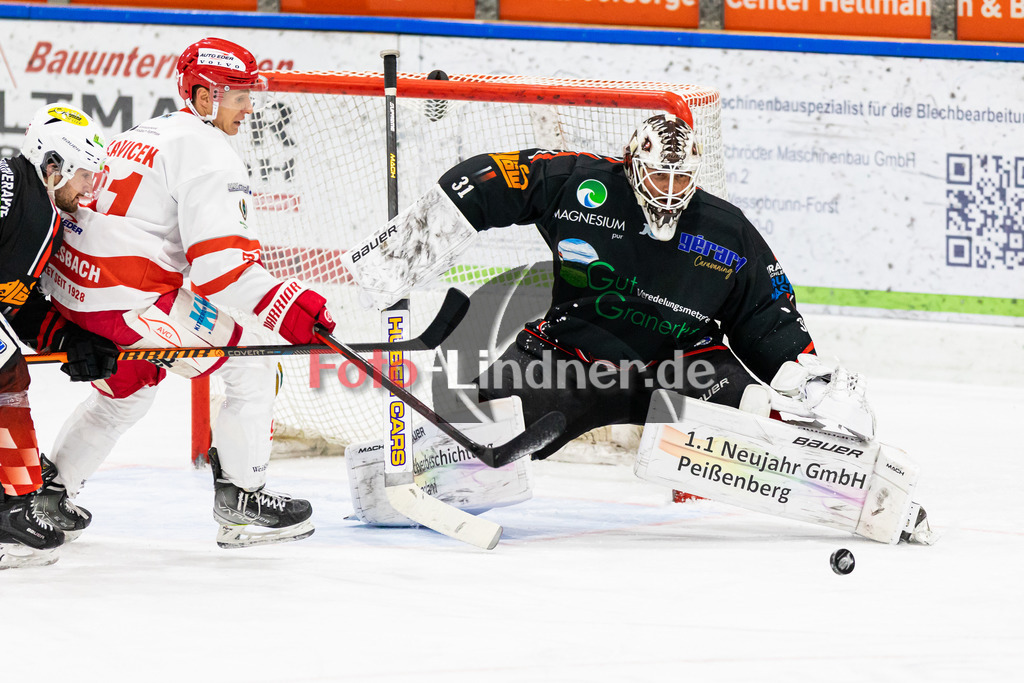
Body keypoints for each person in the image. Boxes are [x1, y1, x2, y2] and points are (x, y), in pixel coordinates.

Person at [345, 113, 875, 462]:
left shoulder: (725, 228)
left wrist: (801, 371)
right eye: (658, 177)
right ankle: (395, 470)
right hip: (562, 362)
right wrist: (415, 241)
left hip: (679, 370)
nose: (669, 192)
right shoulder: (582, 185)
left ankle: (839, 471)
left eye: (680, 180)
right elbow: (494, 178)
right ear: (632, 163)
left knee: (766, 414)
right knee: (460, 447)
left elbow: (766, 312)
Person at [38, 38, 337, 549]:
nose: (249, 107)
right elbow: (222, 271)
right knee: (252, 361)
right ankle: (243, 499)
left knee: (127, 391)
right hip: (126, 294)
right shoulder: (209, 153)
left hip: (73, 285)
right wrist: (291, 305)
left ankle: (48, 492)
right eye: (237, 95)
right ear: (203, 97)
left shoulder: (144, 131)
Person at [1, 103, 117, 569]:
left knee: (9, 373)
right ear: (54, 165)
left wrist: (69, 339)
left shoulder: (37, 203)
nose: (90, 186)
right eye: (84, 174)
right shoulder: (15, 190)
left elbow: (18, 302)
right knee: (8, 376)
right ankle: (11, 511)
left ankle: (14, 501)